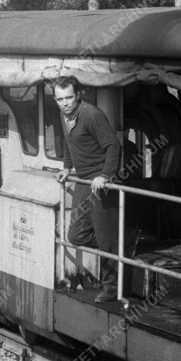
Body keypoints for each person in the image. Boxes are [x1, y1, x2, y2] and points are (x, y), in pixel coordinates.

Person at [53, 75, 122, 302]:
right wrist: (66, 167)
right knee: (76, 235)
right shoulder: (64, 116)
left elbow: (113, 146)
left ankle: (111, 288)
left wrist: (105, 175)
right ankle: (116, 246)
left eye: (68, 98)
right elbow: (68, 143)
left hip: (100, 182)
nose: (65, 103)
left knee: (105, 239)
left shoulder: (91, 115)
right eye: (60, 99)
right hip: (83, 181)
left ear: (78, 95)